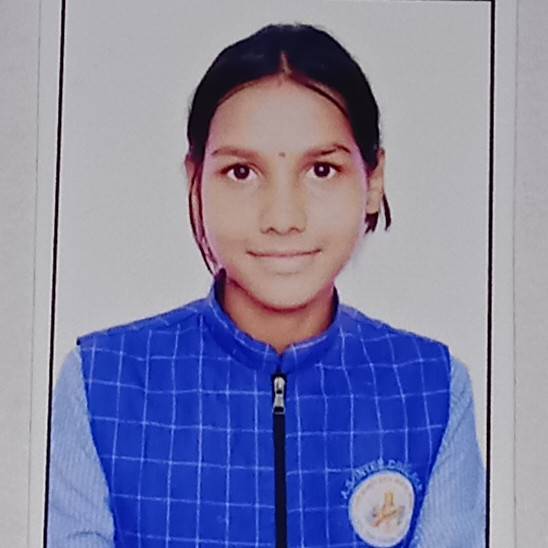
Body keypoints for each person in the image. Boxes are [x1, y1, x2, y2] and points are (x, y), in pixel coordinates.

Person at [47, 23, 485, 547]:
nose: (282, 218)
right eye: (241, 172)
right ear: (195, 181)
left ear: (373, 181)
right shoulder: (103, 383)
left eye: (321, 170)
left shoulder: (431, 389)